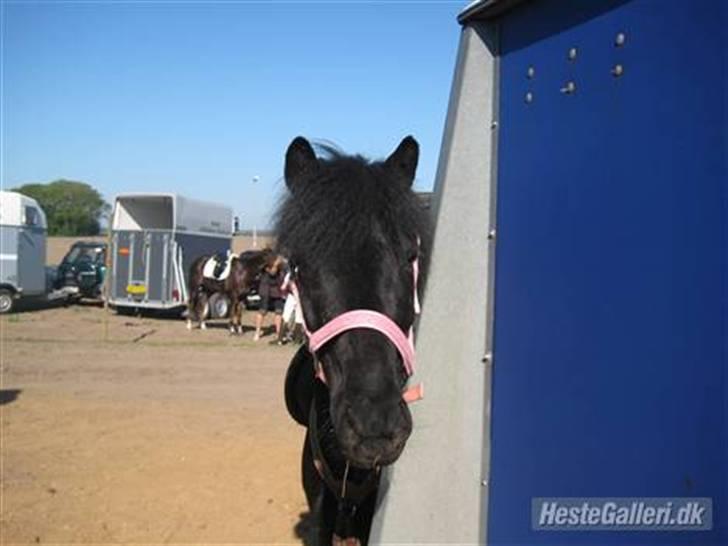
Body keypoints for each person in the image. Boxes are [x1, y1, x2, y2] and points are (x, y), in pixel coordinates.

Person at [253, 254, 286, 342]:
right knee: (262, 311)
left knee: (279, 312)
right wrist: (275, 264)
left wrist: (280, 263)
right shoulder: (266, 263)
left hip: (277, 290)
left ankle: (278, 334)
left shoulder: (281, 264)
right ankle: (257, 332)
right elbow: (272, 271)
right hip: (266, 290)